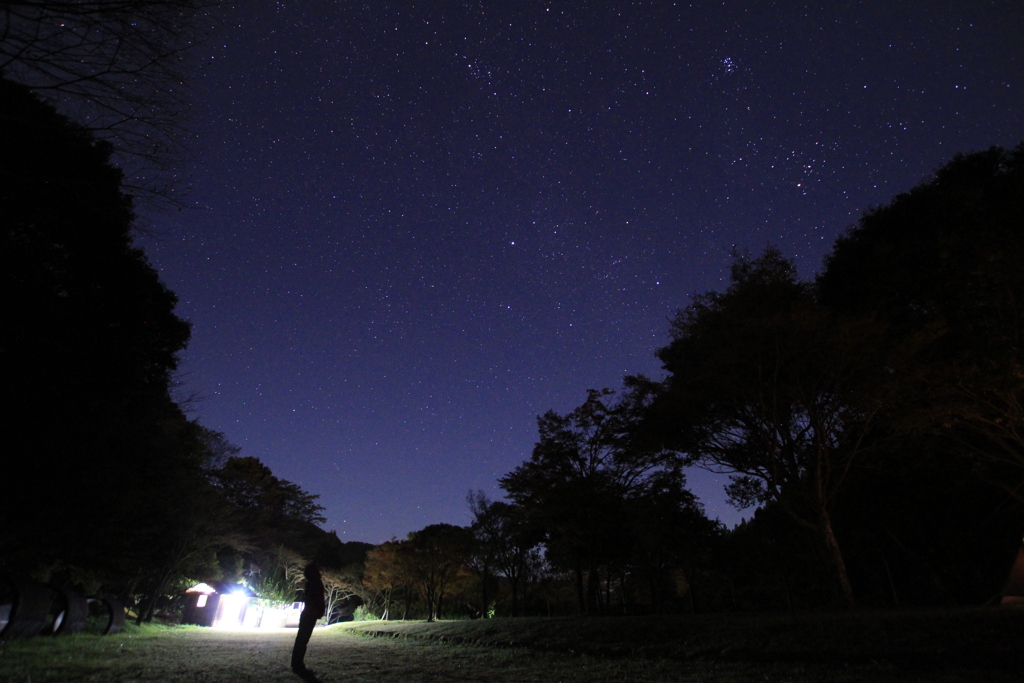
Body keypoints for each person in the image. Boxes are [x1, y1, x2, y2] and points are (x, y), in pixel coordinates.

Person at [291, 562, 325, 678]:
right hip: (310, 614)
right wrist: (317, 611)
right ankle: (297, 664)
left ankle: (297, 663)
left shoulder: (311, 583)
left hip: (309, 613)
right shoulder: (314, 583)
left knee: (302, 639)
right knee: (302, 640)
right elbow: (316, 599)